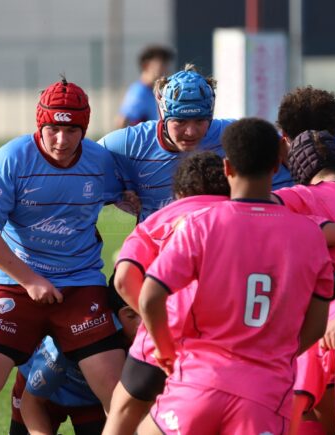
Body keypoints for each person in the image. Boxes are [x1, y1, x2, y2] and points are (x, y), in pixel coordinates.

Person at [0, 77, 127, 435]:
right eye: (53, 129)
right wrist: (30, 280)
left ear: (84, 128)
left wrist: (127, 199)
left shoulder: (100, 161)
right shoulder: (11, 159)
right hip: (14, 281)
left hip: (79, 283)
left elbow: (120, 192)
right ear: (39, 125)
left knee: (117, 387)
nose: (61, 140)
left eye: (72, 130)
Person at [137, 118, 333, 435]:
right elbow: (316, 325)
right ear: (276, 167)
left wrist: (164, 348)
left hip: (199, 383)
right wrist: (280, 354)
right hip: (266, 393)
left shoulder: (201, 224)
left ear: (227, 167)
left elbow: (150, 297)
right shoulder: (310, 234)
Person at [102, 151, 230, 435]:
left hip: (161, 340)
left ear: (179, 192)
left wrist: (154, 321)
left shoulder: (157, 221)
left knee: (123, 410)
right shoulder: (241, 218)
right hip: (223, 343)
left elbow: (123, 279)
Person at [100, 64, 289, 223]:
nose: (191, 131)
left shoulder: (234, 136)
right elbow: (87, 164)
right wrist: (118, 195)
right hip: (158, 252)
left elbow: (287, 149)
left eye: (200, 120)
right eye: (180, 121)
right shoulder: (130, 144)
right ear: (162, 114)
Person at [272, 130, 335, 435]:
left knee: (295, 406)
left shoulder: (298, 196)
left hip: (319, 321)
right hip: (329, 322)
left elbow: (252, 206)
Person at [10, 284, 140, 435]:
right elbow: (31, 403)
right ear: (121, 314)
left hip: (88, 400)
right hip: (41, 394)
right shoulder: (74, 337)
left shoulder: (148, 340)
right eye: (132, 315)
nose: (143, 325)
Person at [115, 45, 175, 128]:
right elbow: (122, 121)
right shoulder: (139, 92)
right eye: (162, 64)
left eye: (167, 65)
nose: (166, 70)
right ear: (146, 65)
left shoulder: (157, 91)